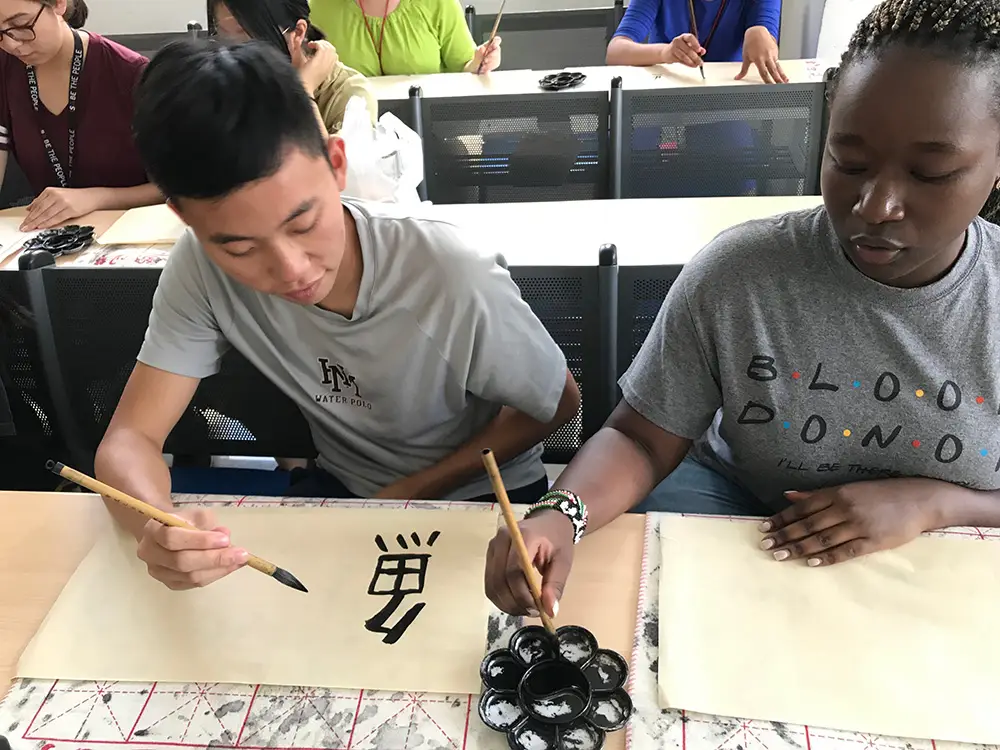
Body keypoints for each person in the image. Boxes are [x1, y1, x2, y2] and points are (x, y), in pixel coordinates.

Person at [485, 0, 1000, 618]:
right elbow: (641, 438)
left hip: (943, 562)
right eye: (849, 162)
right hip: (740, 518)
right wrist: (561, 512)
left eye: (933, 172)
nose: (876, 205)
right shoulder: (741, 274)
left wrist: (932, 503)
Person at [94, 39, 579, 590]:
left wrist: (410, 491)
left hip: (487, 499)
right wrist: (156, 524)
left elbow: (559, 403)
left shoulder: (446, 270)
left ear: (337, 162)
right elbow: (129, 439)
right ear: (183, 218)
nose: (291, 269)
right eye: (239, 248)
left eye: (303, 224)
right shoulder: (199, 270)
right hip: (345, 493)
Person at [0, 0, 161, 230]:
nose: (11, 44)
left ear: (58, 4)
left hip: (127, 238)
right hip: (45, 239)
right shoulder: (5, 69)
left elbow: (175, 187)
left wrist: (97, 198)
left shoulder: (131, 73)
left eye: (21, 24)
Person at [211, 0, 378, 134]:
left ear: (298, 33)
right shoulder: (224, 83)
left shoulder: (349, 93)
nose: (232, 53)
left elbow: (335, 172)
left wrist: (303, 92)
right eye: (224, 36)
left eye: (245, 39)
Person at [606, 0, 787, 84]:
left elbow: (768, 44)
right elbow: (616, 51)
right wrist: (666, 53)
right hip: (664, 97)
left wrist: (763, 34)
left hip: (730, 104)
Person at [308, 0, 501, 77]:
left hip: (429, 135)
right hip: (348, 144)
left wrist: (479, 62)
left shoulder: (437, 3)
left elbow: (464, 69)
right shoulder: (317, 9)